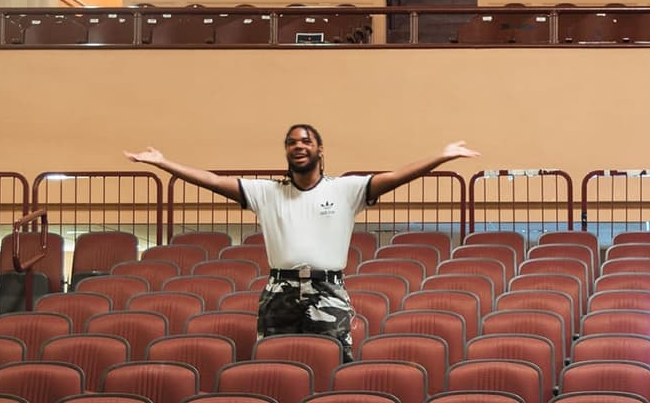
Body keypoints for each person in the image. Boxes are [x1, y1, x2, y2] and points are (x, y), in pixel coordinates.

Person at [124, 126, 476, 350]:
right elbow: (214, 181)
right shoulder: (266, 193)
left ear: (320, 150)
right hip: (280, 291)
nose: (298, 146)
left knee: (334, 362)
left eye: (306, 141)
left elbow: (396, 176)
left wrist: (440, 157)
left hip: (328, 291)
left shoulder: (345, 189)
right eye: (291, 142)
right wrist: (164, 163)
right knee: (274, 364)